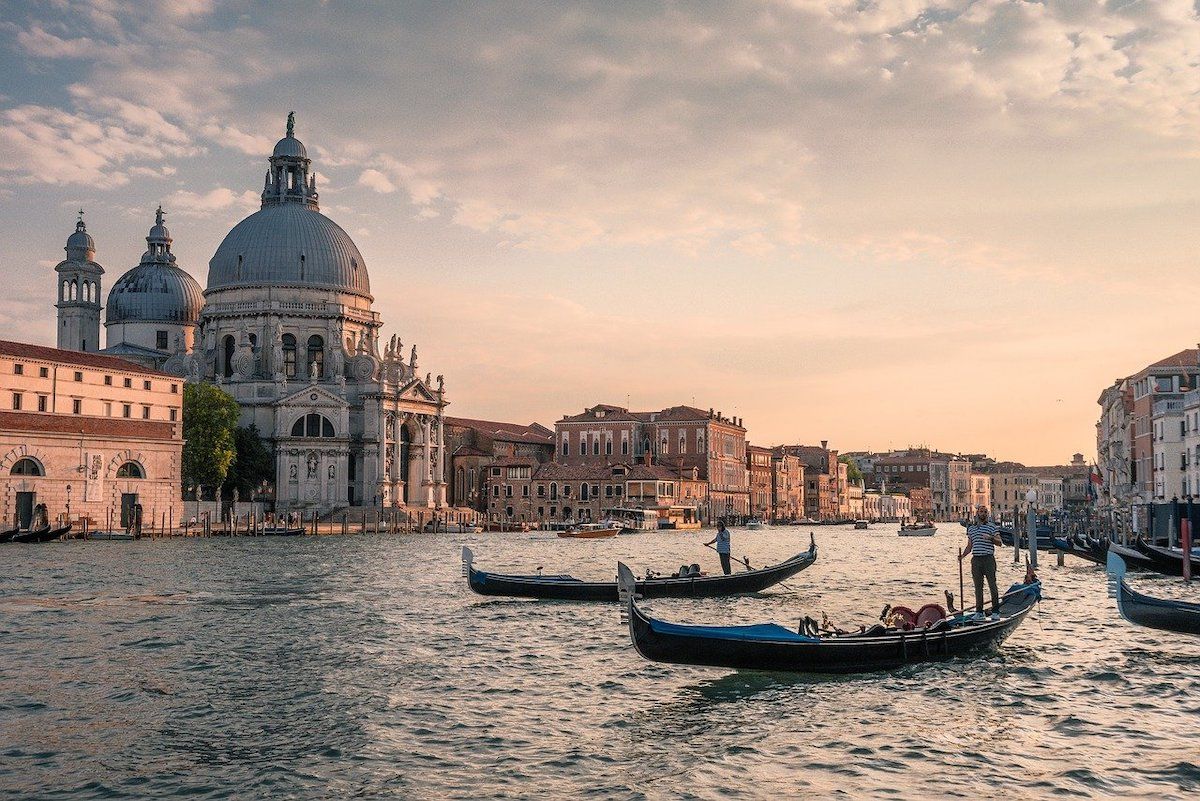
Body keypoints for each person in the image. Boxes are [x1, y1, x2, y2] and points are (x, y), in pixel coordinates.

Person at [960, 506, 1003, 621]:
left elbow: (1000, 542)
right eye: (981, 512)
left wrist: (990, 538)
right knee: (978, 587)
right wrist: (962, 556)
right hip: (976, 560)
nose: (983, 514)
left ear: (987, 514)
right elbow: (969, 546)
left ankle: (995, 611)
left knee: (992, 585)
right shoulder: (971, 529)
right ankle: (979, 612)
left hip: (988, 559)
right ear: (977, 513)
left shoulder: (992, 527)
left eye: (985, 512)